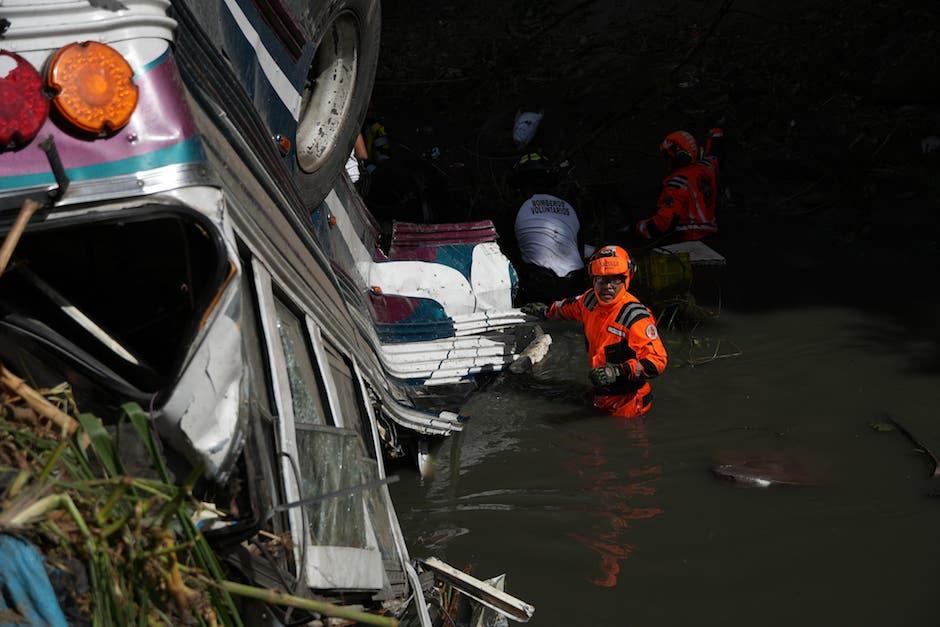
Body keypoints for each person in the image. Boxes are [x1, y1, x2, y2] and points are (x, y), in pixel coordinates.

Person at [522, 245, 667, 418]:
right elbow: (568, 308)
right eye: (601, 280)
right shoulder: (589, 301)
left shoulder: (635, 317)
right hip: (602, 392)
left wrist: (617, 371)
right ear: (593, 279)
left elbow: (657, 360)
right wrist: (546, 312)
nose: (608, 286)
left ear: (627, 278)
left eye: (615, 280)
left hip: (629, 403)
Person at [512, 152, 585, 304]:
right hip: (576, 282)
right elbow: (580, 247)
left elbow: (509, 250)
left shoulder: (517, 208)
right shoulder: (570, 206)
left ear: (521, 183)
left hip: (538, 285)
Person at [634, 128, 724, 242]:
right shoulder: (708, 167)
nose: (667, 161)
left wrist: (637, 228)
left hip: (688, 240)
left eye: (668, 156)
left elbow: (662, 224)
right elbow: (715, 151)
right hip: (713, 238)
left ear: (680, 156)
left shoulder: (677, 183)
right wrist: (716, 131)